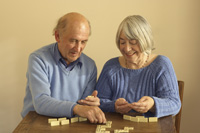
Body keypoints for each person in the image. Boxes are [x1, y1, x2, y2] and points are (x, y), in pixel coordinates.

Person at [21, 12, 106, 123]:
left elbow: (83, 106)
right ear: (57, 36)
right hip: (36, 124)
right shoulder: (38, 59)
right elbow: (41, 102)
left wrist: (90, 104)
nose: (78, 48)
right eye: (73, 40)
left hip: (71, 125)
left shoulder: (90, 66)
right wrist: (76, 108)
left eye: (83, 42)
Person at [96, 15, 181, 118]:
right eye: (122, 42)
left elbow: (174, 104)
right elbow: (98, 102)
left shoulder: (161, 65)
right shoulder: (111, 67)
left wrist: (153, 104)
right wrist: (113, 106)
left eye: (133, 42)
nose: (127, 48)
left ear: (145, 40)